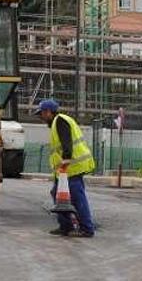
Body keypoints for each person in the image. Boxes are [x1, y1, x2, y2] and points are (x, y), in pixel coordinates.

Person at [33, 99, 96, 238]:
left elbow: (66, 142)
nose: (41, 117)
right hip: (65, 170)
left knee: (77, 197)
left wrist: (66, 160)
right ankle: (65, 226)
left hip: (72, 167)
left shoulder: (60, 121)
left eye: (42, 114)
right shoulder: (57, 123)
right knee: (57, 194)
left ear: (48, 112)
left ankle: (86, 228)